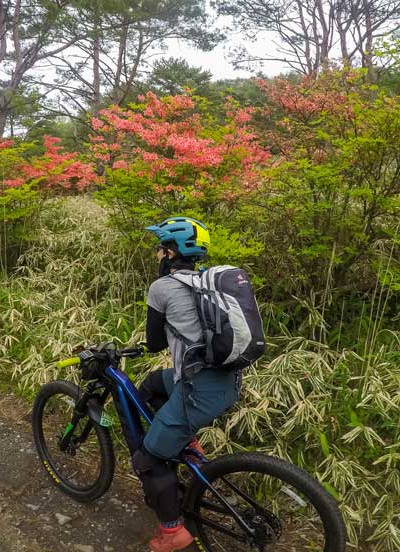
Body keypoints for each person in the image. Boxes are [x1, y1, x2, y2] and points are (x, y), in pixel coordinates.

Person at [135, 217, 240, 552]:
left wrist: (161, 286)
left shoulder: (162, 287)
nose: (157, 255)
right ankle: (187, 445)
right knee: (152, 385)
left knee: (147, 460)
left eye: (160, 248)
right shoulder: (207, 282)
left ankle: (172, 533)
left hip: (197, 390)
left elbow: (154, 343)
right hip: (225, 381)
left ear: (170, 252)